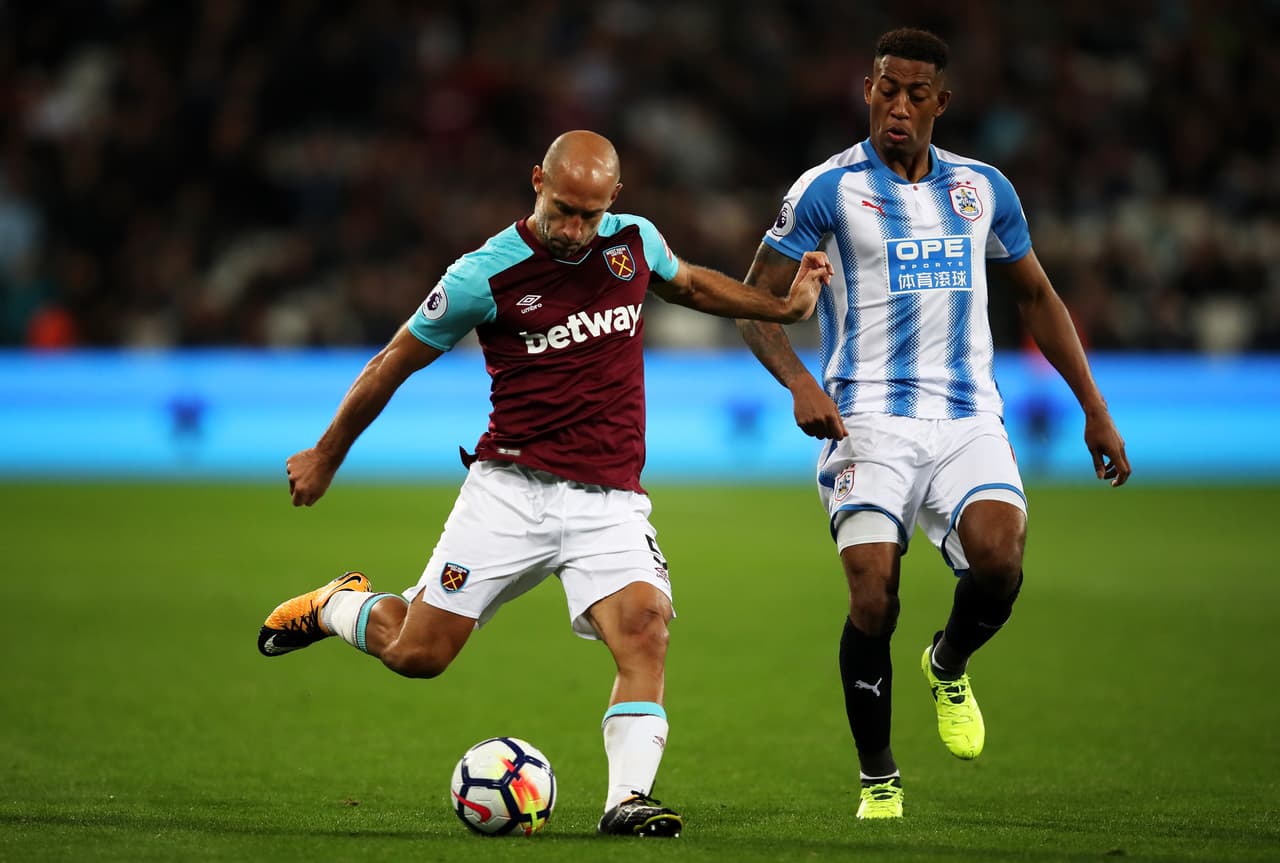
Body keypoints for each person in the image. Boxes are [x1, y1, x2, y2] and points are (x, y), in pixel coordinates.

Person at [257, 130, 833, 838]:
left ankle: (626, 800)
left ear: (613, 200)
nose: (575, 229)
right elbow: (392, 363)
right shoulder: (484, 273)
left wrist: (781, 307)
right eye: (563, 209)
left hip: (611, 500)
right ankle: (338, 604)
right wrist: (326, 452)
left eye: (591, 214)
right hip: (511, 490)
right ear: (537, 181)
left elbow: (687, 283)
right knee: (417, 654)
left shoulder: (633, 242)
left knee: (646, 630)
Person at [735, 28, 1131, 820]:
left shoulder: (985, 190)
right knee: (873, 595)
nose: (899, 106)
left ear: (941, 103)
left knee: (1001, 563)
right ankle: (879, 775)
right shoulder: (826, 189)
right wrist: (798, 383)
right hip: (865, 420)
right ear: (869, 90)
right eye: (886, 88)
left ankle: (947, 662)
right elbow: (756, 302)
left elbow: (1037, 297)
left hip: (965, 415)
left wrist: (1094, 405)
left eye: (917, 93)